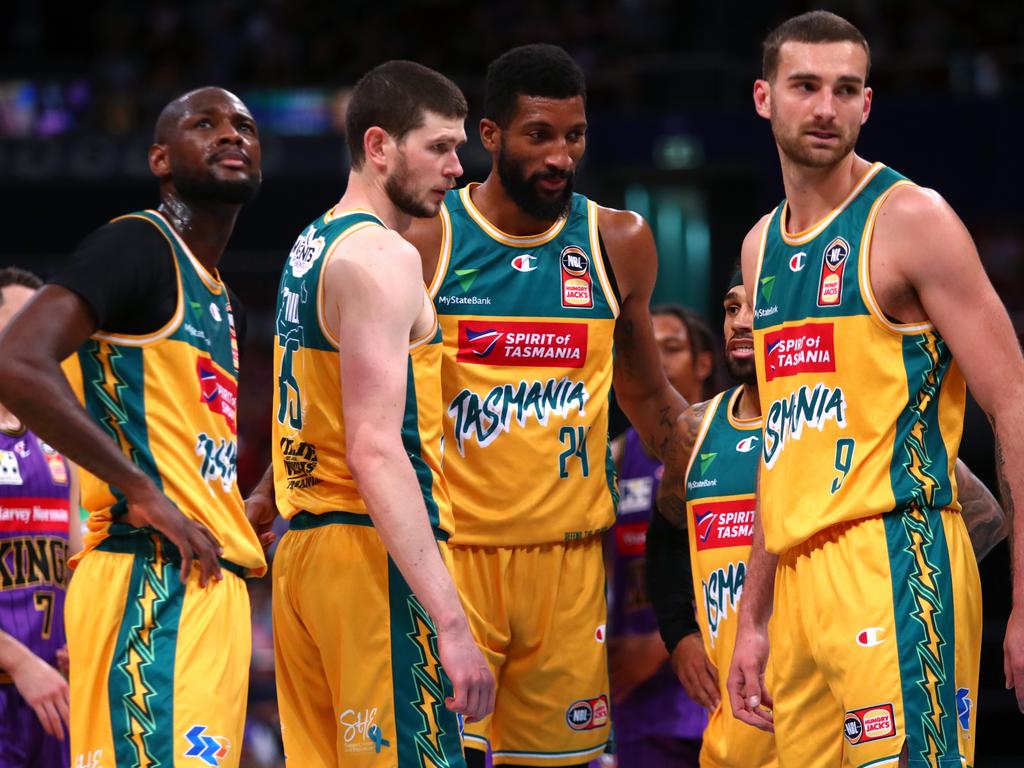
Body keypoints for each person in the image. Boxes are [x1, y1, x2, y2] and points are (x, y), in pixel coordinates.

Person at [725, 11, 1024, 767]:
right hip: (796, 575)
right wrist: (752, 616)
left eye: (845, 88)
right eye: (806, 86)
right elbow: (783, 444)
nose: (826, 107)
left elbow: (1013, 399)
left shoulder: (912, 219)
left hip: (897, 554)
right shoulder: (761, 246)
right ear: (765, 98)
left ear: (867, 104)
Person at [406, 44, 687, 768]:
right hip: (454, 560)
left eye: (575, 135)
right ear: (491, 136)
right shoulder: (430, 236)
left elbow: (646, 392)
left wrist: (725, 453)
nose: (561, 156)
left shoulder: (617, 240)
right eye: (539, 136)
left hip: (568, 568)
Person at [0, 87, 267, 768]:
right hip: (149, 583)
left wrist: (247, 505)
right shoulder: (138, 246)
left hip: (210, 588)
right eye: (203, 124)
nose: (230, 134)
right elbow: (15, 359)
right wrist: (141, 491)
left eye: (243, 125)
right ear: (160, 158)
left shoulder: (220, 296)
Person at [649, 274, 1008, 768]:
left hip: (846, 667)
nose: (743, 322)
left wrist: (897, 593)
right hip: (742, 699)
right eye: (732, 308)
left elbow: (984, 516)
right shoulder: (698, 430)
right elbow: (664, 537)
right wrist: (679, 634)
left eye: (759, 308)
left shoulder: (847, 414)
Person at [264, 61, 494, 767]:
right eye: (440, 147)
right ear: (378, 146)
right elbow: (374, 448)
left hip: (301, 558)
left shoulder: (310, 244)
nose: (459, 168)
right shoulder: (384, 257)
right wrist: (451, 622)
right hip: (372, 557)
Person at [605, 305, 715, 767]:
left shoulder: (733, 439)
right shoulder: (611, 456)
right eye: (647, 349)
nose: (658, 360)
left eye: (670, 348)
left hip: (727, 683)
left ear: (703, 363)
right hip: (641, 700)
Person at [0, 268, 83, 768]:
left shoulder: (58, 436)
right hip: (16, 680)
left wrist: (84, 633)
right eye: (17, 320)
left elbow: (77, 559)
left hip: (55, 694)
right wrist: (18, 662)